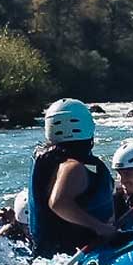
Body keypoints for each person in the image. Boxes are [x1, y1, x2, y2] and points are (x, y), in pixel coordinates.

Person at [27, 98, 116, 257]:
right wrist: (100, 228)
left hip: (50, 255)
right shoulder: (73, 166)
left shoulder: (54, 160)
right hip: (74, 257)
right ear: (88, 126)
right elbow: (59, 203)